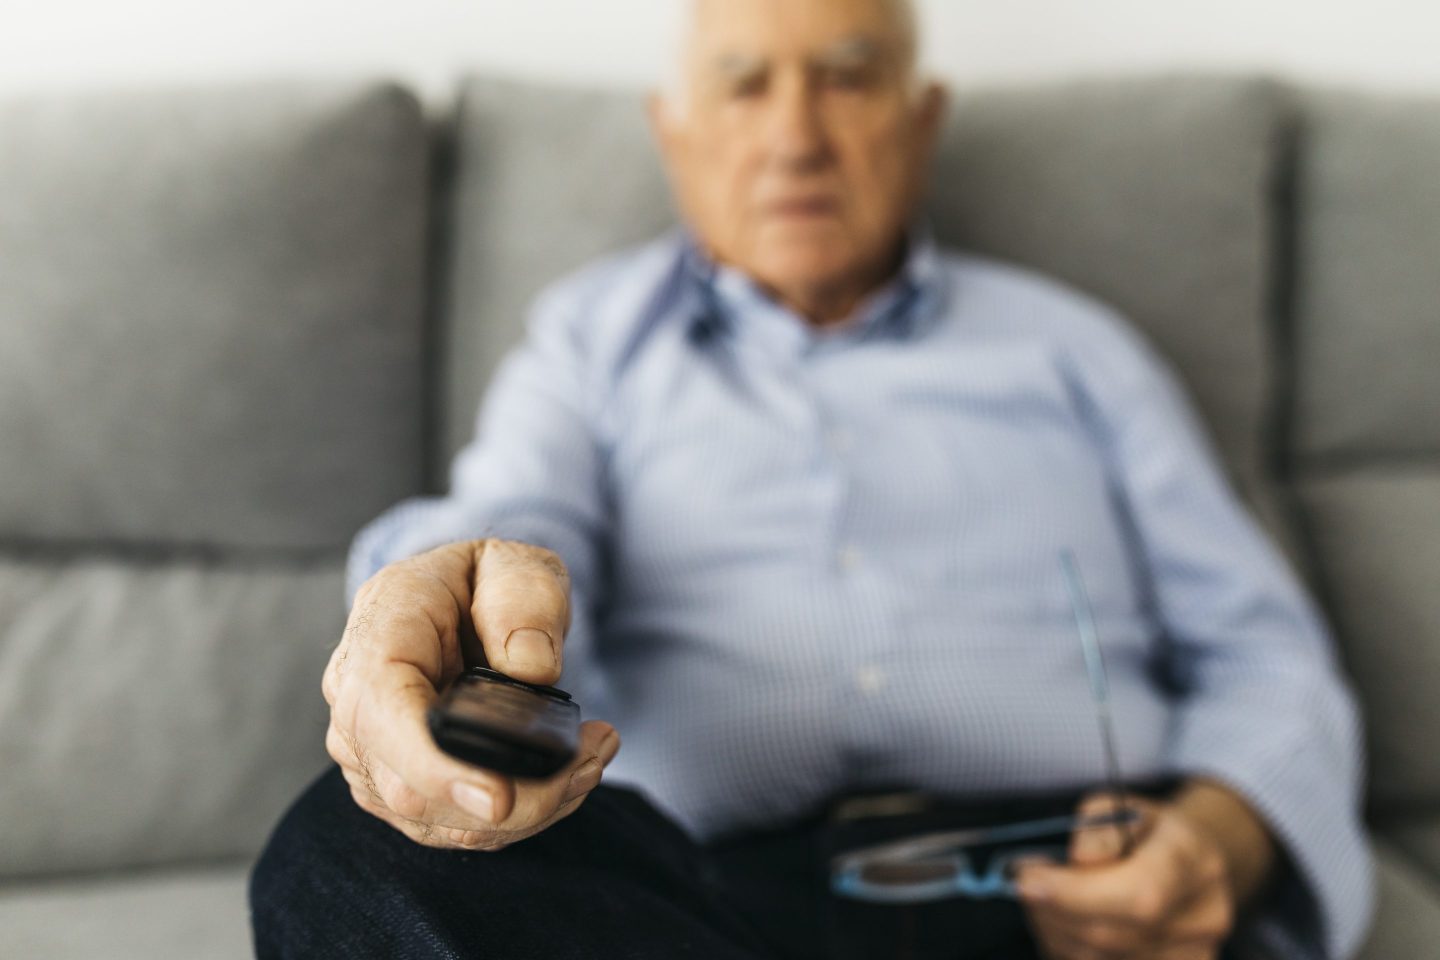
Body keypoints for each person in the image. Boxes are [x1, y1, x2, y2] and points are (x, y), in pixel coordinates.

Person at [249, 1, 1374, 957]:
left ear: (922, 118)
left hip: (1062, 891)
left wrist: (1218, 839)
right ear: (675, 131)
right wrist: (449, 593)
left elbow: (1267, 654)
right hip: (712, 904)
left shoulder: (1078, 353)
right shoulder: (588, 342)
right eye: (744, 86)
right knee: (339, 854)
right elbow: (519, 518)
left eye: (847, 79)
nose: (797, 139)